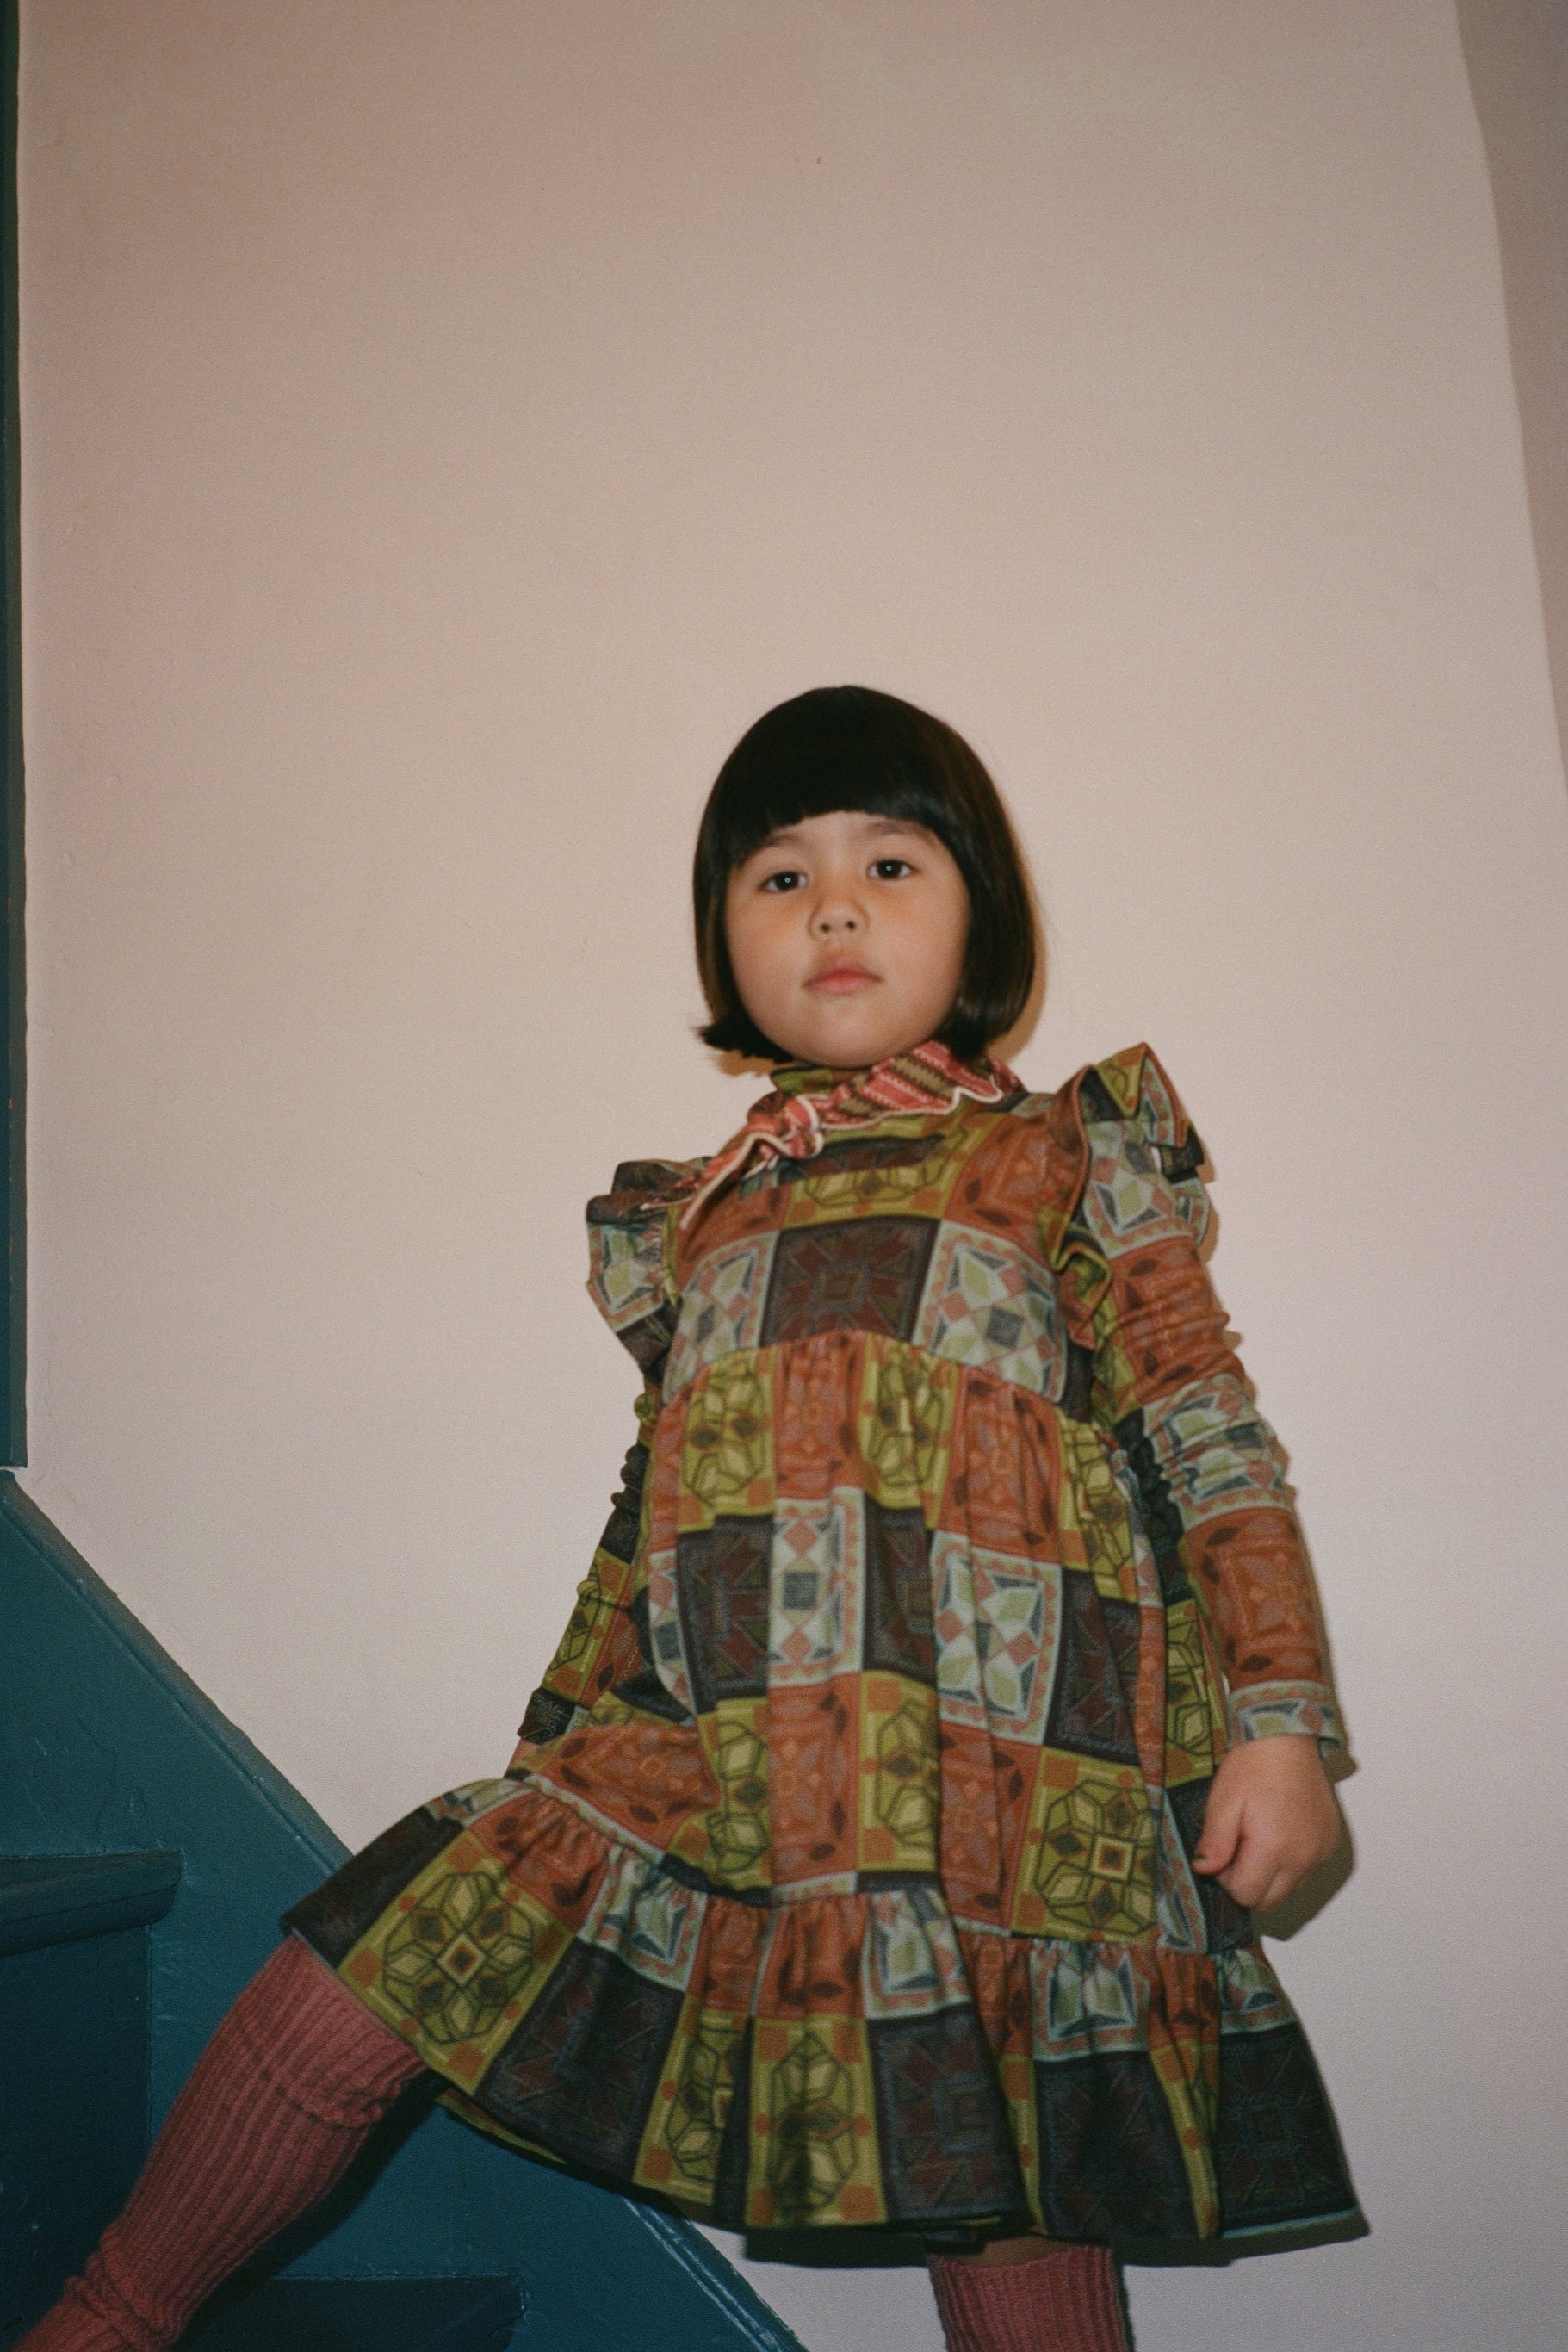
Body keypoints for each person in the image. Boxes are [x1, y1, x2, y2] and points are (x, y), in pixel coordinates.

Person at [24, 686, 1361, 2352]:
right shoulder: (702, 1217)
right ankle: (102, 2322)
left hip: (1002, 1776)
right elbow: (648, 1509)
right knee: (378, 1964)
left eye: (889, 866)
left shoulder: (1060, 1162)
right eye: (780, 878)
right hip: (710, 1751)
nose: (835, 910)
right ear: (726, 937)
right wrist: (556, 1752)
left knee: (997, 2166)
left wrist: (1280, 1725)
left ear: (983, 916)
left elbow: (1209, 1443)